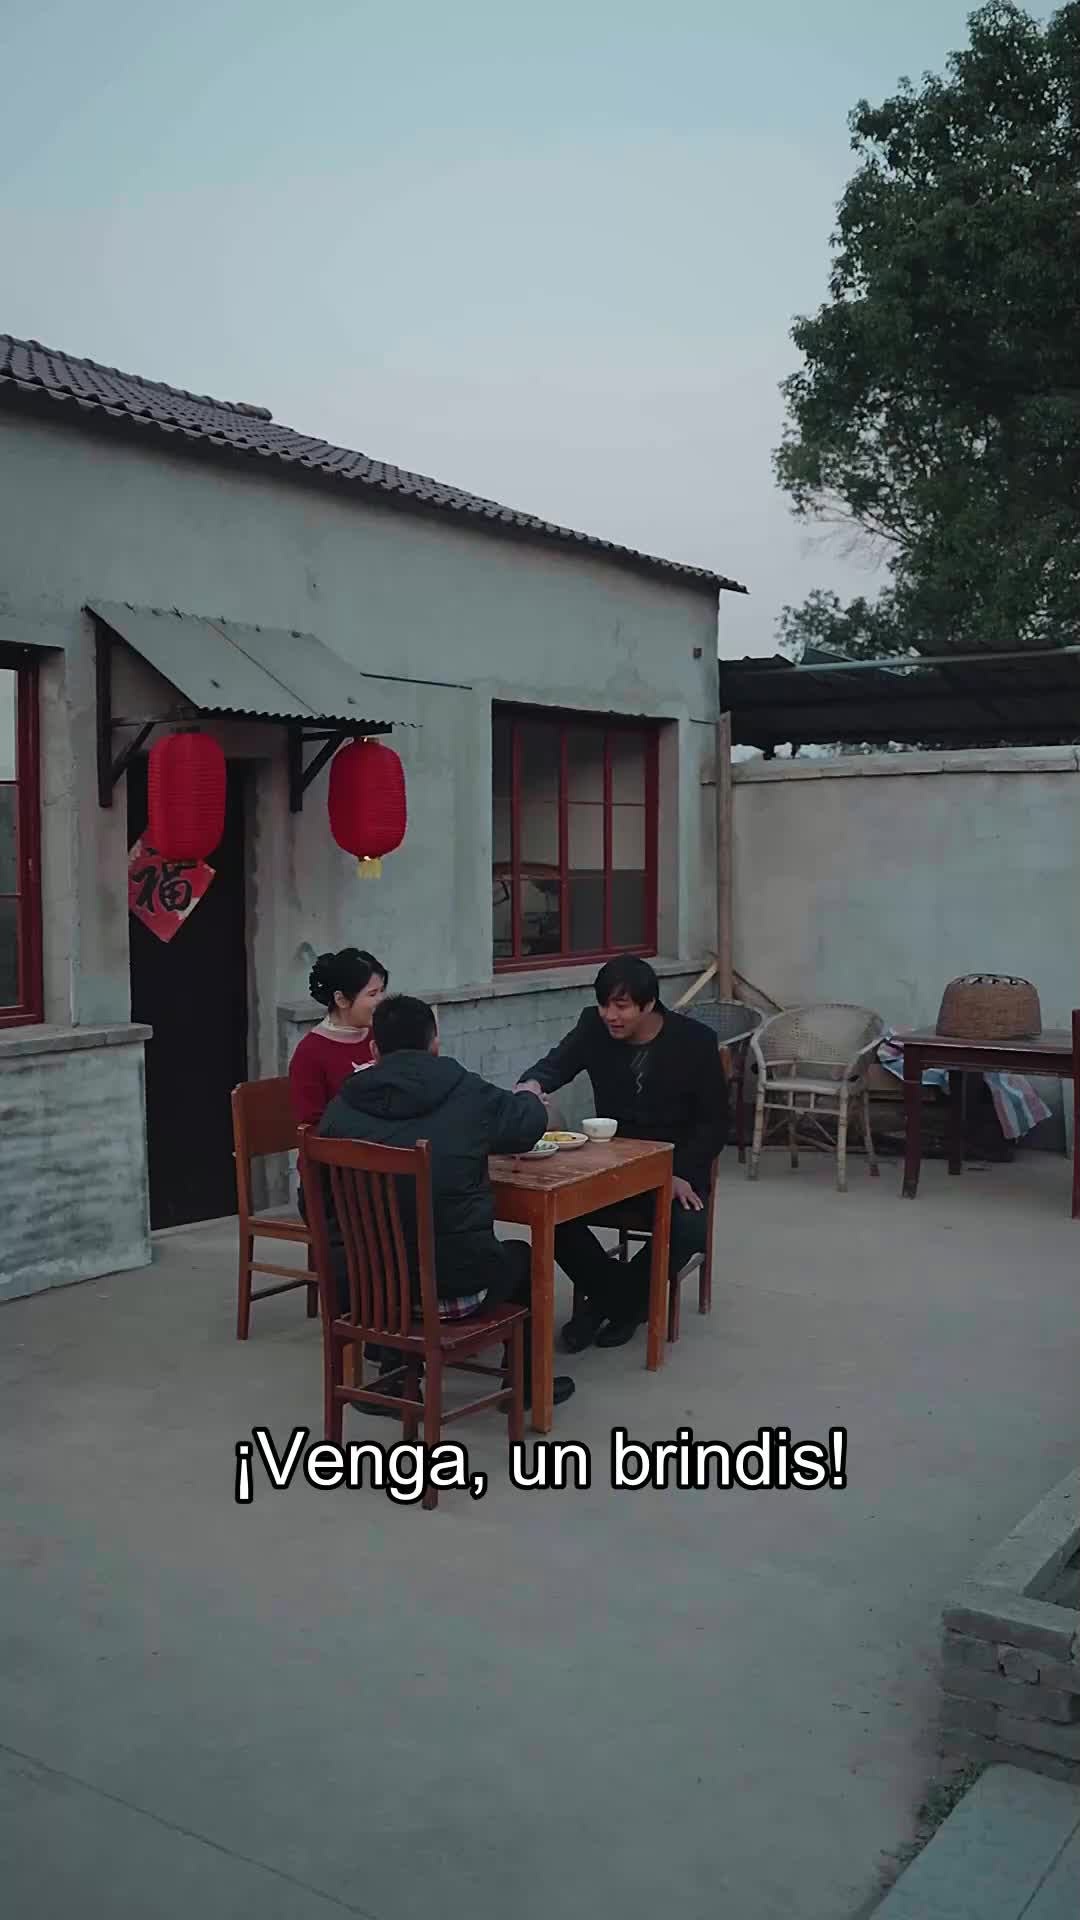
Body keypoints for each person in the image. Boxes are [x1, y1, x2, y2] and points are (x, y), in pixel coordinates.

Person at [317, 994, 576, 1413]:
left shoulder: (340, 1108)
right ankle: (528, 1386)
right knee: (523, 1258)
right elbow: (525, 1125)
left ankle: (397, 1381)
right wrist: (531, 1097)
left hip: (366, 1296)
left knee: (395, 1252)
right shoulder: (465, 1091)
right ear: (435, 1044)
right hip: (452, 1290)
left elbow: (312, 1202)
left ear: (375, 1050)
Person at [516, 955, 728, 1353]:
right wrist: (531, 1085)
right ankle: (623, 1303)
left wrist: (679, 1171)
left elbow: (715, 1123)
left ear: (649, 1004)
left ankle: (605, 1306)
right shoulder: (593, 1027)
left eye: (621, 1006)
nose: (610, 1015)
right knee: (550, 1213)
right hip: (610, 1168)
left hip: (674, 1171)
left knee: (688, 1229)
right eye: (603, 1005)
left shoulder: (695, 1041)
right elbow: (556, 1064)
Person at [289, 948, 388, 1128]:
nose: (382, 1000)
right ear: (341, 999)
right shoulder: (310, 1052)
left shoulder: (382, 1033)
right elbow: (312, 1127)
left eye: (383, 990)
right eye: (373, 994)